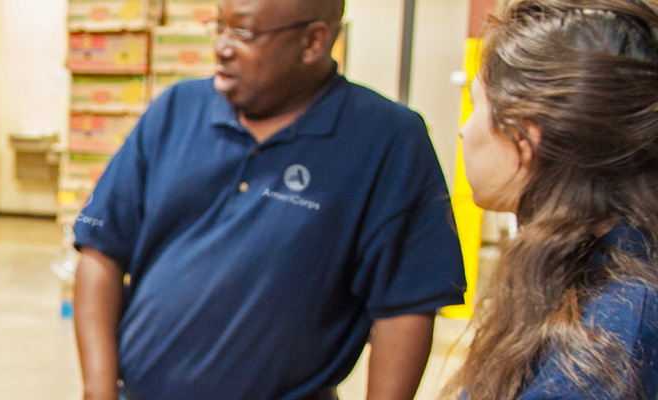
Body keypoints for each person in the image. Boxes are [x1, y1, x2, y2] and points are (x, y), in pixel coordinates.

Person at [70, 0, 466, 398]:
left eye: (243, 33)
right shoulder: (176, 111)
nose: (222, 48)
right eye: (219, 28)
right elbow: (101, 250)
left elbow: (406, 308)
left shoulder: (385, 140)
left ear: (312, 42)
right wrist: (98, 390)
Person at [446, 0, 658, 398]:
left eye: (478, 106)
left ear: (525, 139)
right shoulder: (576, 270)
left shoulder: (611, 333)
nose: (463, 131)